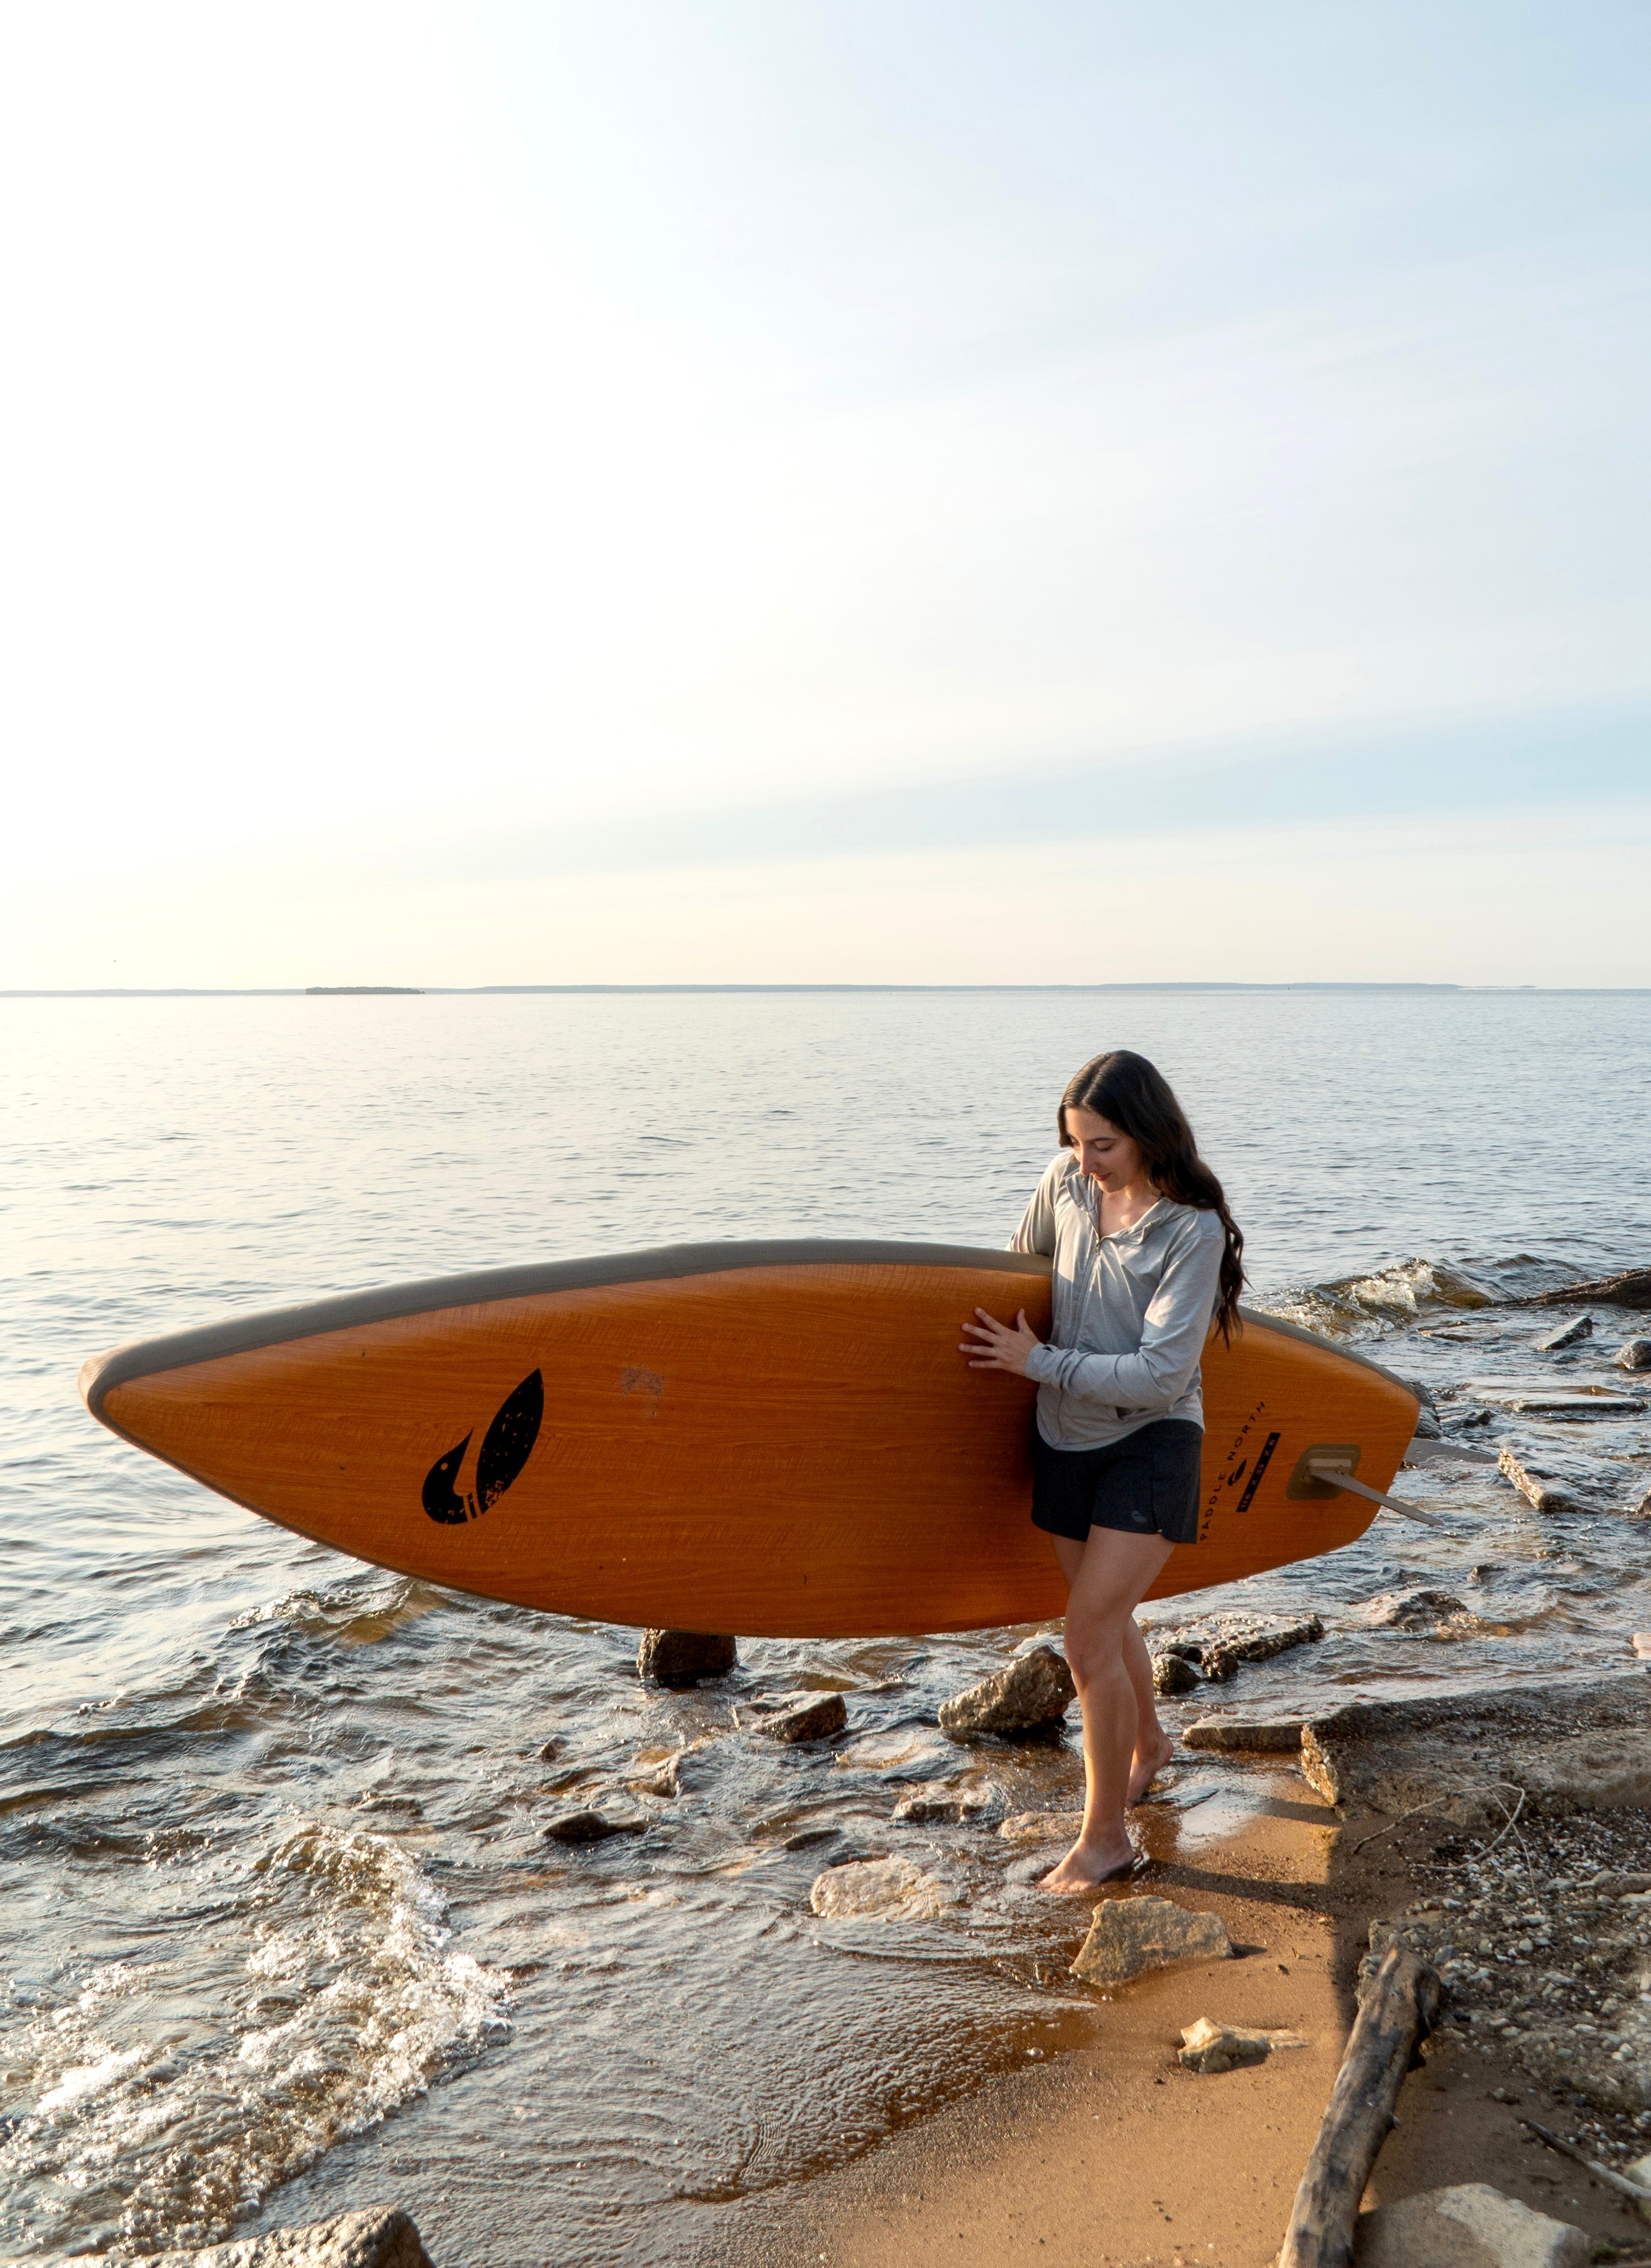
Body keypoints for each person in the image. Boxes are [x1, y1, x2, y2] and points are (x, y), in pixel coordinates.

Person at [960, 1049, 1244, 1894]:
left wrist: (1038, 1361)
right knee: (1107, 1619)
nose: (1084, 1162)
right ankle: (1148, 1744)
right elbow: (1018, 1270)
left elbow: (1161, 1374)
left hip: (1151, 1441)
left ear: (1151, 1135)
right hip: (1064, 1434)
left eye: (1103, 1145)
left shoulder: (1190, 1231)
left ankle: (1104, 1839)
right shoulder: (1066, 1184)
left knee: (1085, 1634)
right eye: (1075, 1141)